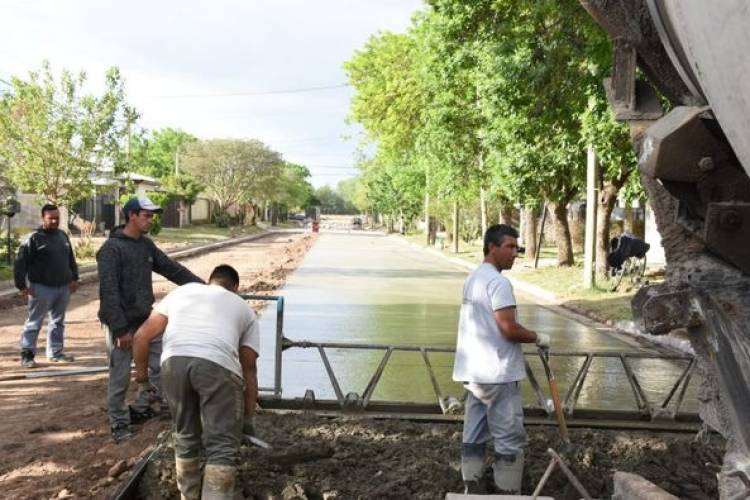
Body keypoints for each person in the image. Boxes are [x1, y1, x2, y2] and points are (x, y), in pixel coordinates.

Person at [133, 264, 259, 500]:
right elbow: (249, 368)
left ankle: (188, 496)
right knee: (222, 444)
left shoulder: (182, 293)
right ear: (236, 288)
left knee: (185, 435)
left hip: (173, 363)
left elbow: (141, 337)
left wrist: (142, 381)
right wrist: (248, 418)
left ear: (209, 281)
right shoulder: (244, 308)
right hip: (218, 365)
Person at [452, 224, 550, 494]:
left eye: (516, 248)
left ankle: (472, 489)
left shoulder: (474, 278)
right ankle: (507, 494)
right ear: (491, 247)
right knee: (508, 439)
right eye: (509, 247)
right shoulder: (499, 282)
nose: (514, 253)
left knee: (474, 435)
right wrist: (538, 337)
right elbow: (508, 329)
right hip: (497, 373)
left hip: (474, 373)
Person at [97, 195, 203, 443]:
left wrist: (204, 288)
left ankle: (147, 405)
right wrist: (121, 329)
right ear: (131, 215)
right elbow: (109, 293)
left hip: (145, 320)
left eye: (152, 216)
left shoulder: (145, 246)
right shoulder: (111, 250)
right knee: (120, 376)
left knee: (162, 367)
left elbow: (172, 269)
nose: (150, 220)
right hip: (120, 324)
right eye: (146, 215)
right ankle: (119, 423)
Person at [15, 204, 79, 368]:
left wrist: (74, 277)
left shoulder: (63, 236)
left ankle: (55, 353)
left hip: (62, 287)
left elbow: (70, 259)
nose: (54, 221)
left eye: (57, 218)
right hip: (41, 288)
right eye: (51, 218)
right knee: (34, 322)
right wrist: (22, 285)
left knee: (58, 321)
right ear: (43, 218)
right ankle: (27, 354)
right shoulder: (33, 238)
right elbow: (20, 263)